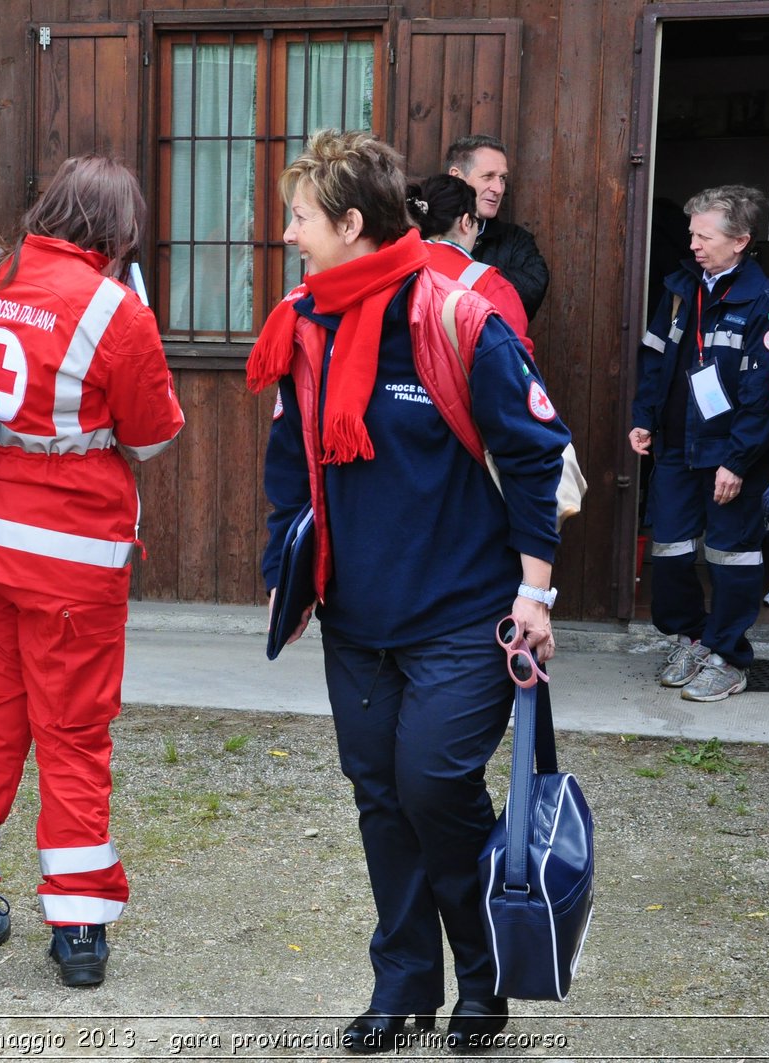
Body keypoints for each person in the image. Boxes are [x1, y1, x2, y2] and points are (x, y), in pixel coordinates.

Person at [250, 129, 571, 1055]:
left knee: (433, 783)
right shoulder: (305, 321)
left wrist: (535, 595)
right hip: (357, 617)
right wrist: (290, 564)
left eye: (301, 217)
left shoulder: (459, 316)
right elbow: (288, 459)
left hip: (465, 615)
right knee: (380, 797)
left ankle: (486, 974)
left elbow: (536, 454)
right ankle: (401, 985)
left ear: (352, 223)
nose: (290, 235)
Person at [0, 155, 184, 988]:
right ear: (118, 231)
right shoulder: (116, 309)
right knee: (72, 737)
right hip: (73, 564)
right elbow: (151, 437)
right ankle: (76, 928)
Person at [628, 185, 769, 703]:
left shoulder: (764, 302)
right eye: (692, 233)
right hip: (675, 447)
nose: (693, 243)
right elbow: (654, 362)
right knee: (669, 551)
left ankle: (729, 656)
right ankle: (690, 638)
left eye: (704, 235)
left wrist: (737, 461)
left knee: (731, 558)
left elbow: (763, 397)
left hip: (731, 455)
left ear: (740, 241)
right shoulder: (678, 289)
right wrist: (644, 418)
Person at [408, 173, 533, 357]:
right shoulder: (491, 285)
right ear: (466, 223)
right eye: (477, 222)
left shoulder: (390, 268)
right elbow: (516, 365)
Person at [445, 134, 550, 319]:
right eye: (488, 177)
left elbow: (531, 291)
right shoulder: (422, 230)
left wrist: (454, 283)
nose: (499, 189)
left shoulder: (517, 240)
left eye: (502, 178)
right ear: (457, 177)